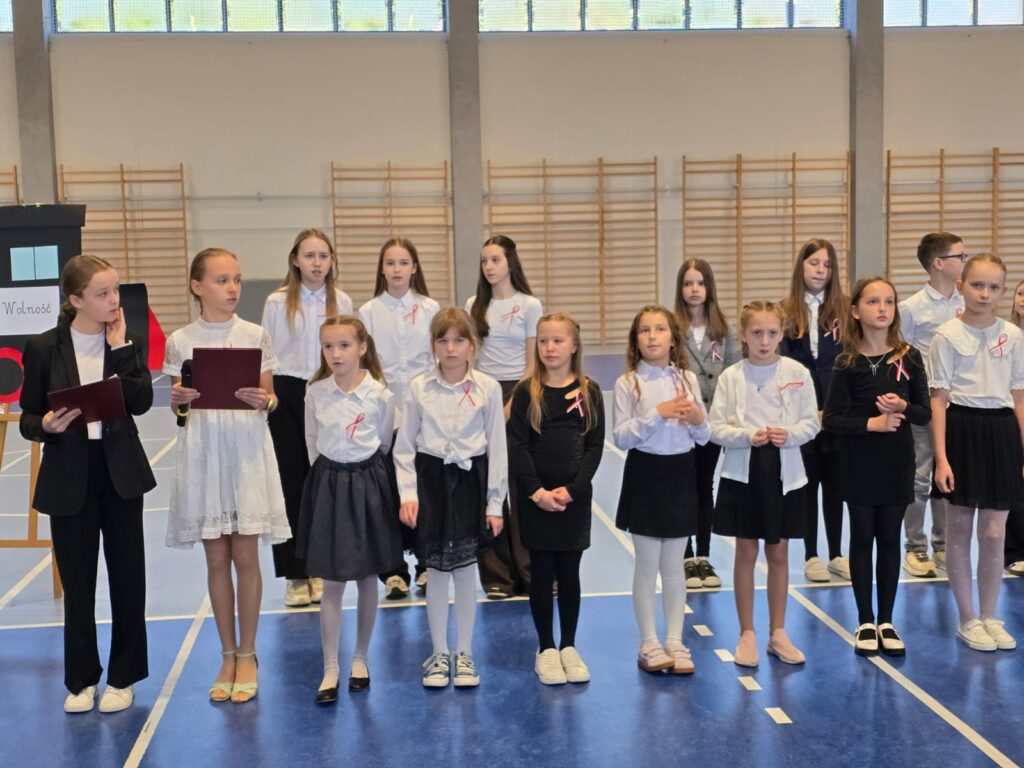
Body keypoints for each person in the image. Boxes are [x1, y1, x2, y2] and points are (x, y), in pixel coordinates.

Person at [19, 255, 156, 714]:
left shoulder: (127, 340)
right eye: (102, 293)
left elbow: (141, 401)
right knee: (78, 586)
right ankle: (81, 680)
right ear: (76, 300)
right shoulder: (44, 347)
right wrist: (46, 426)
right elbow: (28, 417)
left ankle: (124, 676)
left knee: (128, 580)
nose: (114, 300)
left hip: (120, 473)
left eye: (116, 291)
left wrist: (121, 351)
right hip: (69, 475)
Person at [165, 247, 290, 703]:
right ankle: (227, 654)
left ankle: (249, 654)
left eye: (236, 279)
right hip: (204, 453)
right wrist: (179, 400)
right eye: (222, 280)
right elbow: (179, 411)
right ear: (197, 287)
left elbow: (270, 398)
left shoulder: (255, 335)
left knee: (246, 557)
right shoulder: (180, 341)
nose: (233, 287)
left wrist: (265, 401)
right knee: (216, 559)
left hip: (245, 452)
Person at [393, 308, 507, 687]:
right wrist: (408, 495)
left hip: (471, 483)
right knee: (437, 569)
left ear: (472, 345)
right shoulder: (418, 387)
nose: (451, 348)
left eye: (459, 340)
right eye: (442, 340)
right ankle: (439, 652)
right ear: (433, 345)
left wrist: (495, 503)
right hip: (432, 483)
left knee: (466, 569)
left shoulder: (488, 388)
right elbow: (404, 447)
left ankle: (465, 652)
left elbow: (497, 448)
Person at [296, 316, 403, 704]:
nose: (335, 354)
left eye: (344, 345)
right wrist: (331, 480)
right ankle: (330, 667)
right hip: (329, 485)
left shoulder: (381, 395)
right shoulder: (315, 392)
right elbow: (312, 441)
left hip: (368, 485)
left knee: (367, 576)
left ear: (362, 347)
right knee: (332, 581)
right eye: (328, 346)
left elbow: (385, 444)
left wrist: (362, 478)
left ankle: (360, 658)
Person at [824, 277, 930, 657]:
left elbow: (924, 412)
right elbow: (832, 419)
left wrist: (902, 407)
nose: (882, 308)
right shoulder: (846, 362)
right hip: (858, 464)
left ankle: (886, 620)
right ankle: (865, 620)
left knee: (888, 538)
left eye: (889, 301)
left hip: (896, 462)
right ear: (855, 311)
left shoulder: (909, 357)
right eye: (873, 302)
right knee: (862, 537)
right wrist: (871, 423)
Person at [710, 301, 819, 668]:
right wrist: (746, 435)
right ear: (743, 334)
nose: (764, 340)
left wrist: (789, 434)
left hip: (784, 473)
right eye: (756, 333)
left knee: (779, 552)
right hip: (744, 472)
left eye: (772, 333)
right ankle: (747, 633)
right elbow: (715, 428)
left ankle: (778, 632)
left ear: (781, 334)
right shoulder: (731, 377)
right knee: (745, 552)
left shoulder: (797, 372)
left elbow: (811, 423)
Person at [930, 254, 1023, 652]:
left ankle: (989, 615)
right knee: (960, 528)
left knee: (994, 531)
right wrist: (941, 458)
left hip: (1001, 430)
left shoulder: (1013, 336)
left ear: (1003, 291)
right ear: (962, 286)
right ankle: (967, 617)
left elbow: (1019, 397)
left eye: (994, 287)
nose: (985, 294)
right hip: (962, 429)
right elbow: (938, 400)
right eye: (977, 285)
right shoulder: (947, 335)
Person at [508, 313, 604, 685]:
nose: (549, 348)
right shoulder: (526, 391)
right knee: (542, 571)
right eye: (543, 341)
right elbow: (518, 446)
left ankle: (569, 646)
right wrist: (536, 492)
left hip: (572, 501)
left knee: (569, 572)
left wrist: (574, 490)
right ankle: (546, 647)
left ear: (574, 345)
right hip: (536, 500)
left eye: (557, 341)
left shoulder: (589, 391)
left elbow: (594, 446)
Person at [261, 228, 353, 608]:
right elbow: (265, 355)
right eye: (309, 256)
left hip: (328, 391)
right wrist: (269, 398)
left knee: (324, 483)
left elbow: (350, 351)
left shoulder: (342, 300)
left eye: (323, 256)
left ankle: (320, 567)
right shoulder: (277, 302)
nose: (317, 263)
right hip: (286, 393)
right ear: (296, 261)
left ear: (331, 261)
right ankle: (294, 574)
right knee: (290, 484)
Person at [613, 306, 707, 675]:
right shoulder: (628, 383)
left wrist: (698, 419)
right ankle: (649, 642)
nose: (652, 336)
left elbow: (704, 436)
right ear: (635, 340)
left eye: (660, 329)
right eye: (644, 330)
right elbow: (621, 437)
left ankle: (675, 640)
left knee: (674, 567)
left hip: (681, 473)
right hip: (646, 474)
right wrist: (658, 412)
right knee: (647, 565)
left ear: (673, 338)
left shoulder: (687, 379)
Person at [359, 236, 440, 599]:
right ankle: (393, 571)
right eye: (390, 263)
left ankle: (426, 564)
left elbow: (438, 359)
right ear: (382, 269)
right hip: (384, 414)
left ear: (414, 268)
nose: (396, 269)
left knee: (424, 491)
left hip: (424, 413)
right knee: (388, 493)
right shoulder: (368, 312)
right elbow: (366, 365)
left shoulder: (430, 308)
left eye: (403, 262)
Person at [466, 235, 542, 599]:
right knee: (489, 483)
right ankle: (496, 575)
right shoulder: (474, 305)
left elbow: (533, 362)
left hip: (518, 392)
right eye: (484, 261)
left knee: (520, 483)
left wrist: (511, 405)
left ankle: (531, 571)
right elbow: (471, 356)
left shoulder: (529, 305)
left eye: (495, 259)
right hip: (483, 391)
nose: (489, 267)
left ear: (510, 262)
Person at [779, 238, 849, 582]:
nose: (821, 270)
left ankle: (836, 552)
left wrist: (833, 410)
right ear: (801, 267)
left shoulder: (845, 311)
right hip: (801, 413)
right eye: (814, 263)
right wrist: (807, 412)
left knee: (835, 486)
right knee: (808, 485)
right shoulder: (785, 311)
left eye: (827, 265)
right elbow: (783, 366)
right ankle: (811, 554)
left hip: (836, 414)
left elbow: (849, 361)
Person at [898, 232, 966, 578]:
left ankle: (943, 545)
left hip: (961, 404)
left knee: (950, 474)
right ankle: (915, 546)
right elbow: (902, 359)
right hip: (926, 405)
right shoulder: (912, 309)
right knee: (920, 475)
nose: (964, 262)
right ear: (938, 263)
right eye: (959, 256)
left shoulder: (966, 302)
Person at [675, 258, 741, 588]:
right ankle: (686, 556)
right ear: (680, 289)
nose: (694, 289)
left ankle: (703, 555)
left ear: (709, 288)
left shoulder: (724, 332)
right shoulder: (674, 330)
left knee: (705, 487)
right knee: (684, 488)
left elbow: (734, 377)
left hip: (711, 426)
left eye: (700, 283)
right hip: (681, 426)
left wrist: (723, 422)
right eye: (688, 283)